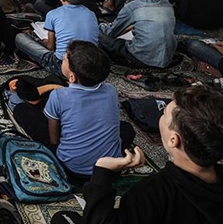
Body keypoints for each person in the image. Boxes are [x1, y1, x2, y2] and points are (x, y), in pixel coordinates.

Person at [82, 85, 223, 224]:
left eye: (164, 113)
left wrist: (102, 174)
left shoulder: (153, 193)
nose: (161, 113)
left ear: (174, 140)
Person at [15, 41, 135, 181]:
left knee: (22, 109)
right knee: (126, 128)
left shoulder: (59, 95)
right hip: (109, 169)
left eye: (64, 59)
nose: (62, 60)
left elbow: (54, 138)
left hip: (72, 168)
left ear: (72, 77)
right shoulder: (111, 90)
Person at [15, 0, 99, 77]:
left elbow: (51, 46)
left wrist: (42, 40)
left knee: (20, 38)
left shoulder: (53, 14)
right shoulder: (91, 14)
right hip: (89, 63)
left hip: (63, 65)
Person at [99, 0, 177, 68]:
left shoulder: (133, 7)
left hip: (143, 59)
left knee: (98, 34)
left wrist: (101, 25)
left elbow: (111, 32)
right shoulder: (168, 5)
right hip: (167, 58)